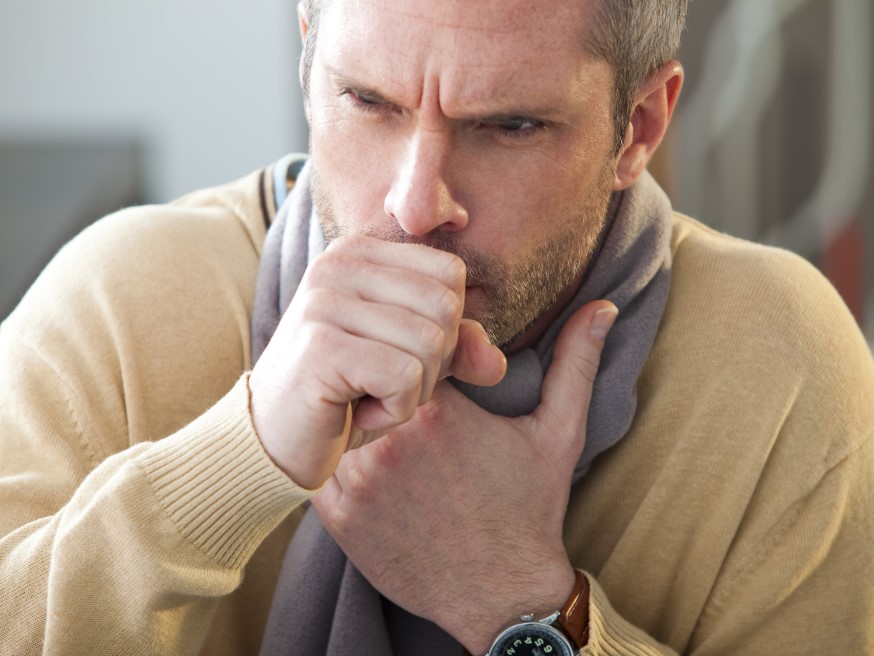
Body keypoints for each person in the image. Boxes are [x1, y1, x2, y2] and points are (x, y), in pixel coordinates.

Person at [1, 0, 872, 654]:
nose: (415, 206)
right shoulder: (121, 300)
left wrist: (518, 603)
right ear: (309, 58)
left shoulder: (781, 365)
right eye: (367, 101)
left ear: (638, 128)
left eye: (509, 126)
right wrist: (243, 455)